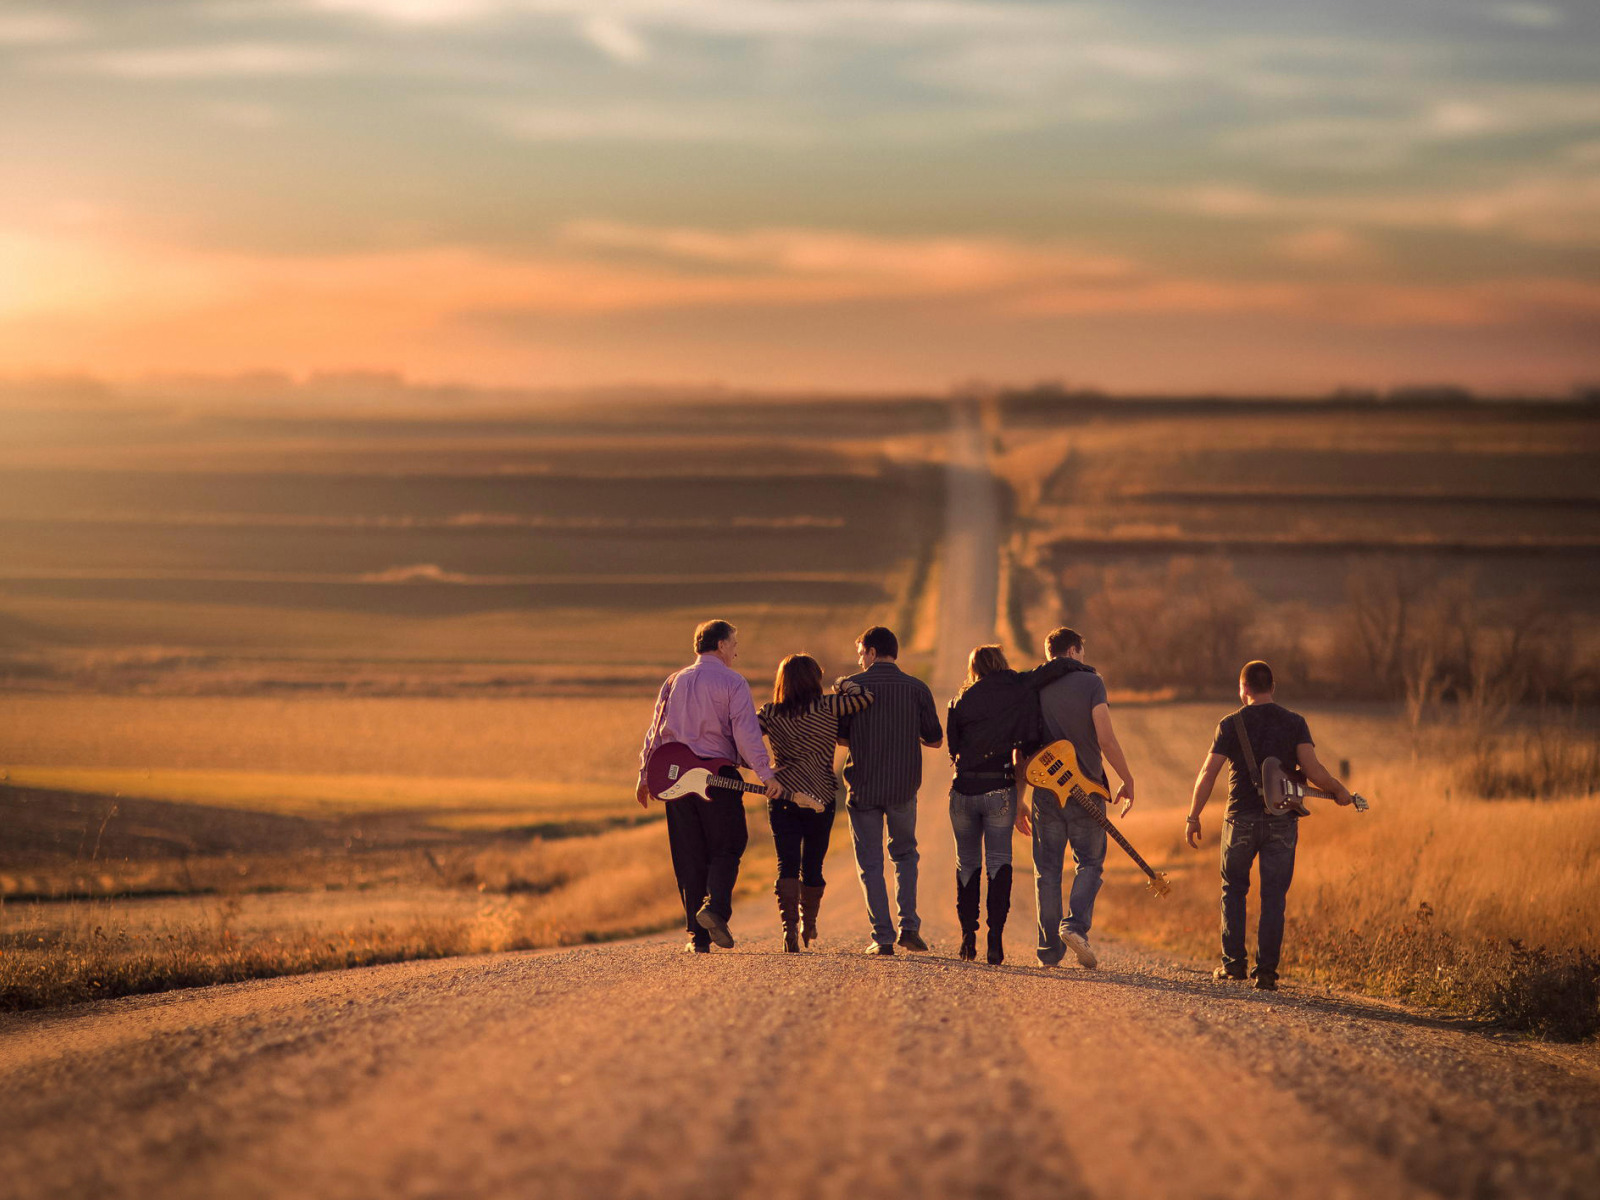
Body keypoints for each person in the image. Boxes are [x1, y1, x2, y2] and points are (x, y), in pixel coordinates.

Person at [1185, 659, 1354, 990]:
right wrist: (1339, 790)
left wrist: (1193, 816)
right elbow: (1314, 769)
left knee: (1233, 889)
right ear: (1272, 687)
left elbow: (1208, 772)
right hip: (1282, 820)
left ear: (1243, 689)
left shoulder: (1230, 724)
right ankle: (1266, 973)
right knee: (1274, 896)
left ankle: (1233, 965)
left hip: (1240, 819)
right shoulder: (1294, 723)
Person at [637, 619, 784, 953]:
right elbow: (746, 735)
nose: (736, 650)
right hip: (717, 777)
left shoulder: (673, 681)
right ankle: (715, 908)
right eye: (734, 644)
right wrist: (766, 775)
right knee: (729, 844)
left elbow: (655, 732)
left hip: (676, 782)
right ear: (720, 645)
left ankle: (697, 938)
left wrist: (645, 776)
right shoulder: (733, 682)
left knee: (689, 854)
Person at [945, 644, 1084, 965]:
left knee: (966, 864)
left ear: (974, 668)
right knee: (998, 862)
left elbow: (953, 750)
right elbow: (1049, 669)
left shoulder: (959, 701)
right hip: (999, 788)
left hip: (963, 790)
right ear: (1002, 663)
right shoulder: (1018, 687)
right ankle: (995, 939)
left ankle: (968, 938)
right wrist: (1082, 667)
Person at [1022, 627, 1136, 971]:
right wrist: (1126, 779)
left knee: (1048, 871)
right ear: (1073, 651)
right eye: (1081, 652)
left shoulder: (1034, 684)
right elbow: (1106, 738)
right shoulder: (1091, 682)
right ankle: (1074, 927)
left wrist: (1018, 797)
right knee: (1089, 862)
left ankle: (1049, 951)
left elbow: (1023, 746)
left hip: (1046, 792)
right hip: (1087, 789)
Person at [836, 625, 943, 956]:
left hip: (864, 786)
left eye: (860, 654)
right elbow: (936, 739)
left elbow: (840, 736)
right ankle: (908, 926)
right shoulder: (916, 688)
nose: (859, 661)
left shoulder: (852, 689)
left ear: (870, 652)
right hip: (903, 786)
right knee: (905, 855)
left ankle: (882, 936)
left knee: (870, 862)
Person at [757, 655, 873, 952]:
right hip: (821, 795)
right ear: (814, 680)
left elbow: (745, 740)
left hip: (783, 794)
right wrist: (841, 683)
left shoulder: (770, 713)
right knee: (813, 864)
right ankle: (809, 923)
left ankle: (789, 929)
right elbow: (865, 697)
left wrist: (766, 770)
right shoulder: (830, 705)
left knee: (787, 863)